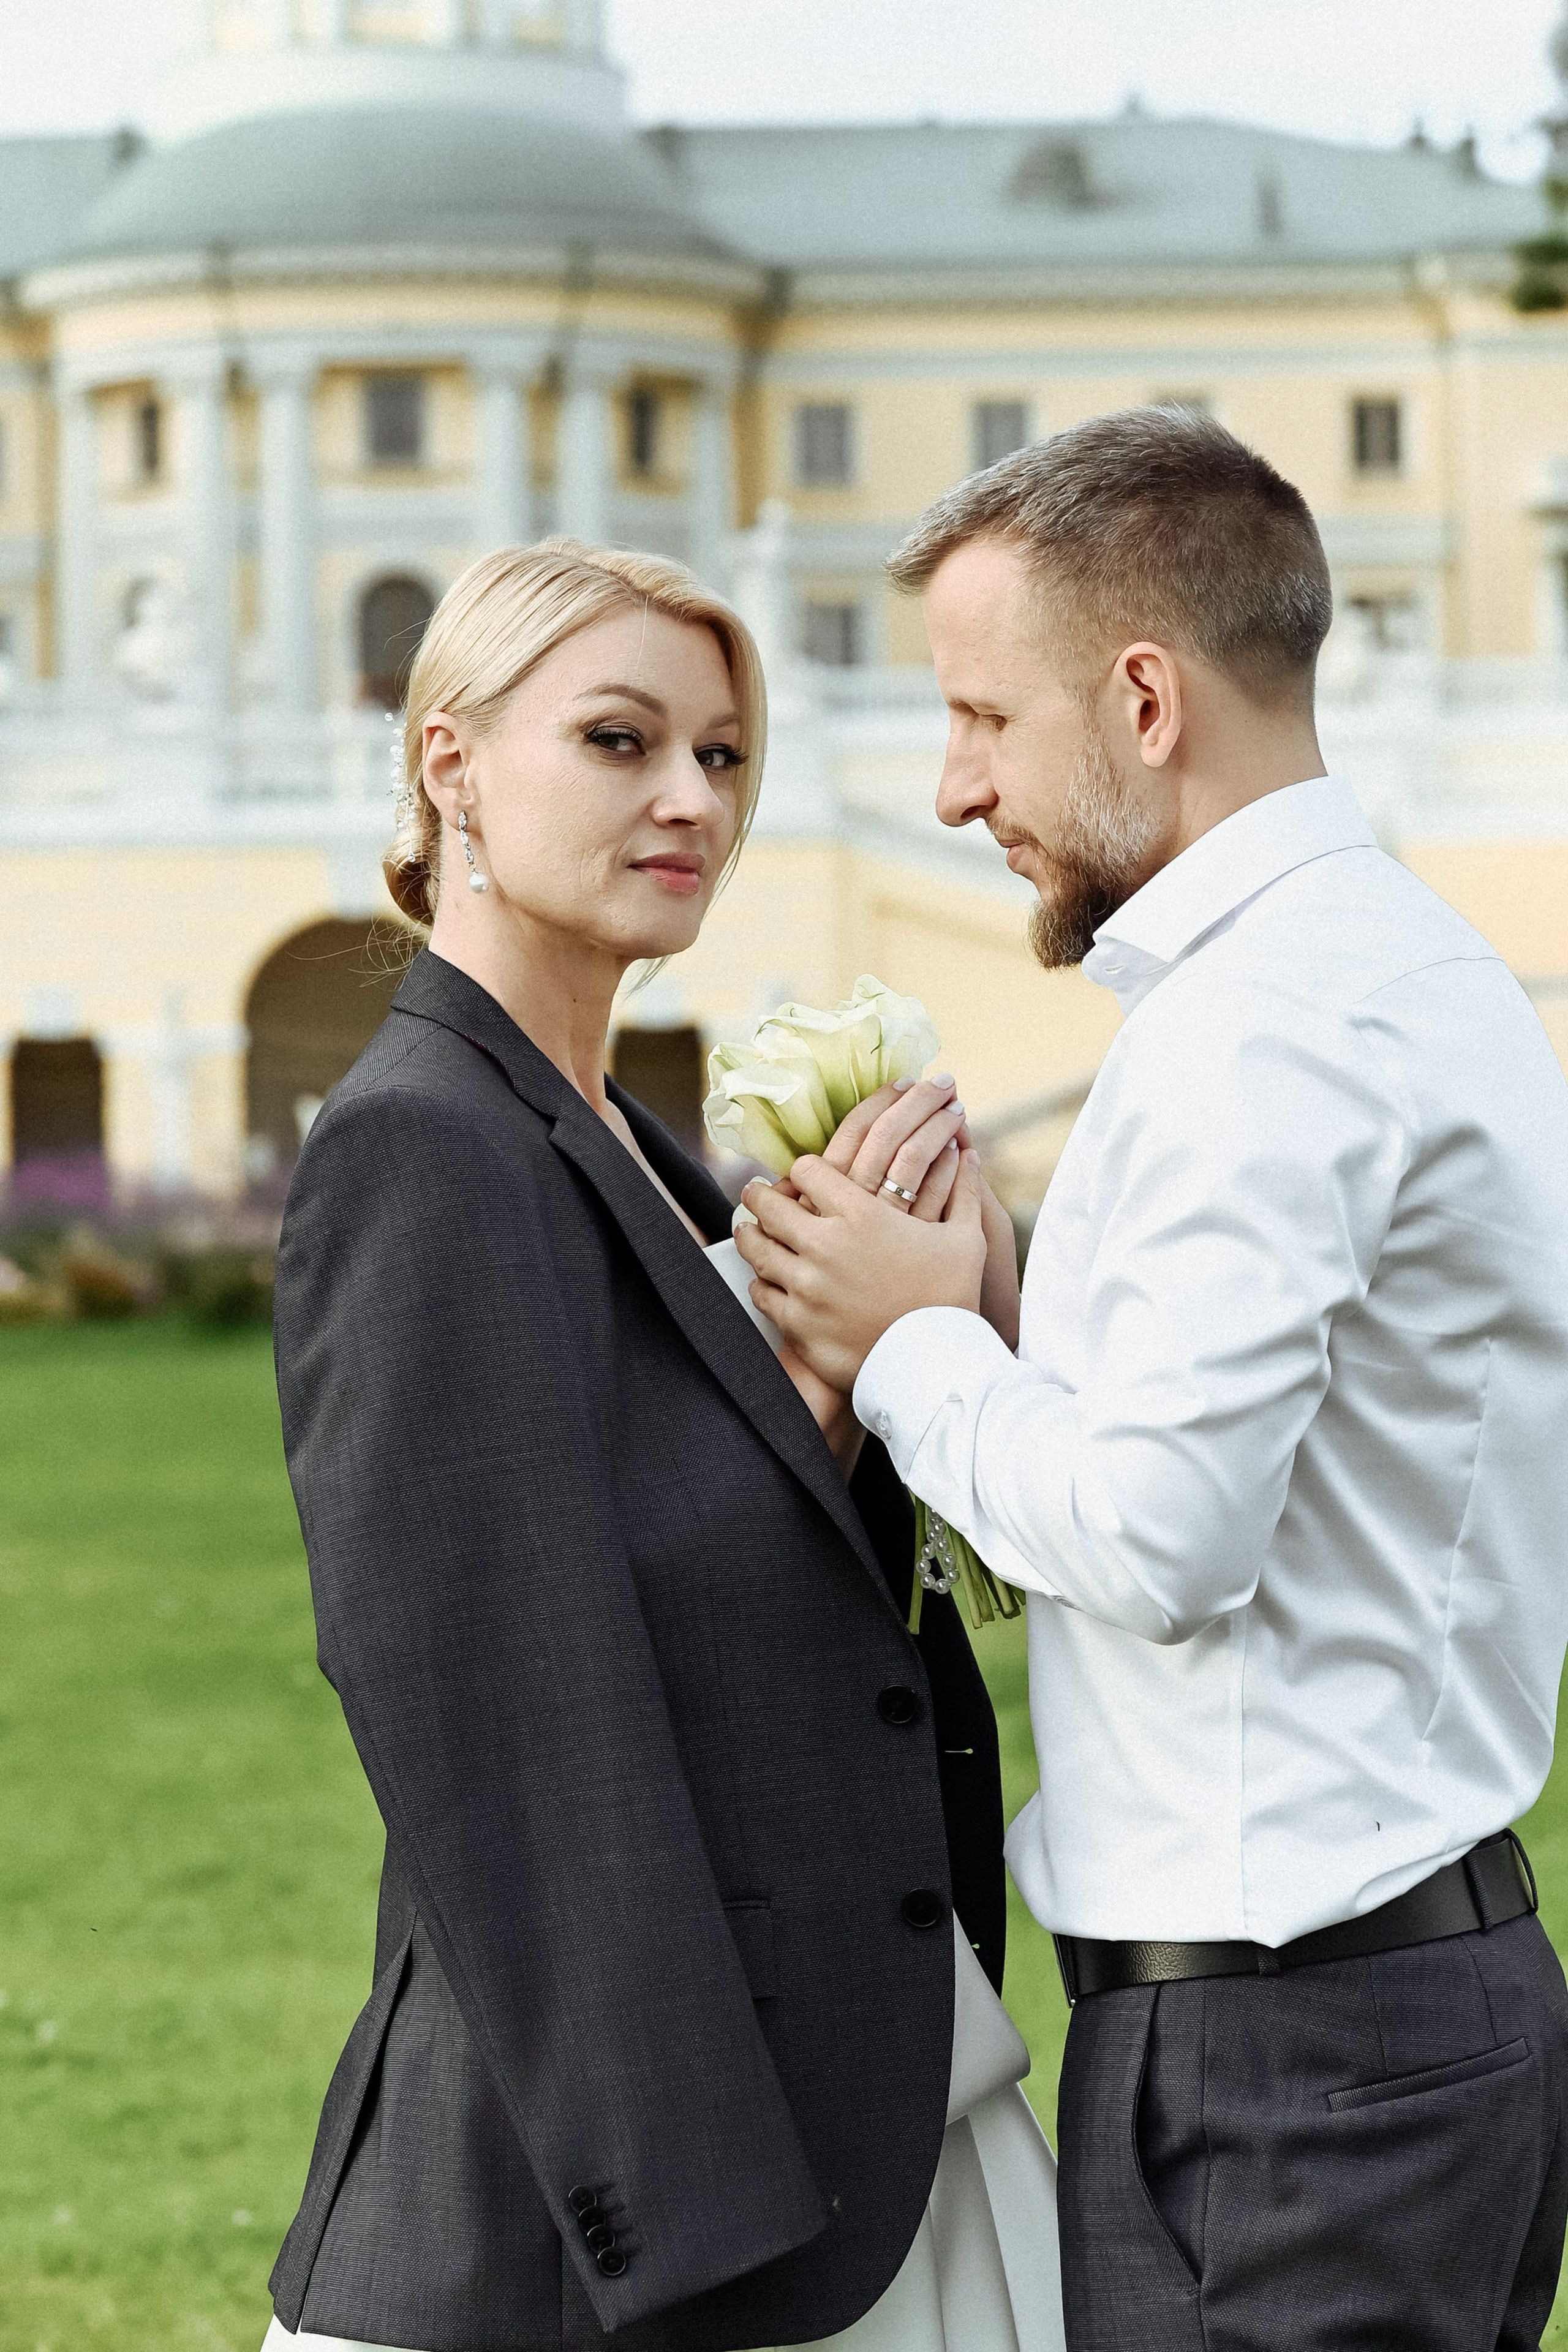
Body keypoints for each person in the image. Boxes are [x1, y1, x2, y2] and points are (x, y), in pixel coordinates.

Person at [734, 406, 1568, 2351]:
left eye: (983, 721)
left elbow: (1169, 1535)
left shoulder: (1263, 1031)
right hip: (1383, 2006)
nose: (949, 789)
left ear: (1141, 696)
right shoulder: (1399, 968)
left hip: (1291, 2069)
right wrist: (1004, 1314)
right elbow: (1276, 1453)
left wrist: (908, 1338)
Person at [260, 539, 1061, 2352]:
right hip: (623, 2215)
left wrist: (928, 1310)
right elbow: (496, 1713)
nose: (691, 798)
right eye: (619, 742)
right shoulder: (422, 1150)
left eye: (722, 756)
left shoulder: (632, 1138)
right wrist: (676, 2226)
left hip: (853, 2092)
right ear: (451, 762)